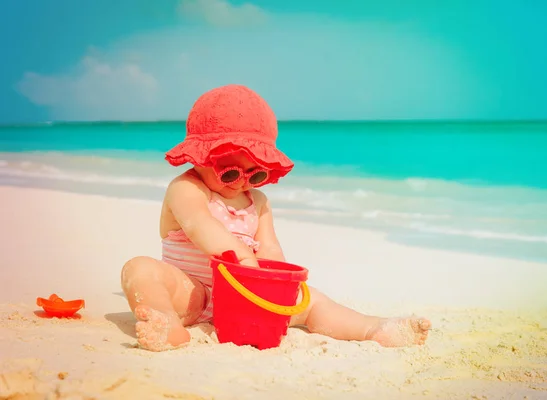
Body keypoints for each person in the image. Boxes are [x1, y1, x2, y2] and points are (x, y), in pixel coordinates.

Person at [120, 84, 431, 351]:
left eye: (255, 174)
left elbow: (269, 250)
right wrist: (241, 256)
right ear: (200, 157)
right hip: (193, 294)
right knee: (140, 269)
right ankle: (167, 322)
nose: (243, 182)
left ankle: (372, 329)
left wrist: (275, 282)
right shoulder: (186, 188)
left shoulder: (258, 202)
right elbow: (200, 225)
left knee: (312, 301)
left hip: (244, 299)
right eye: (229, 171)